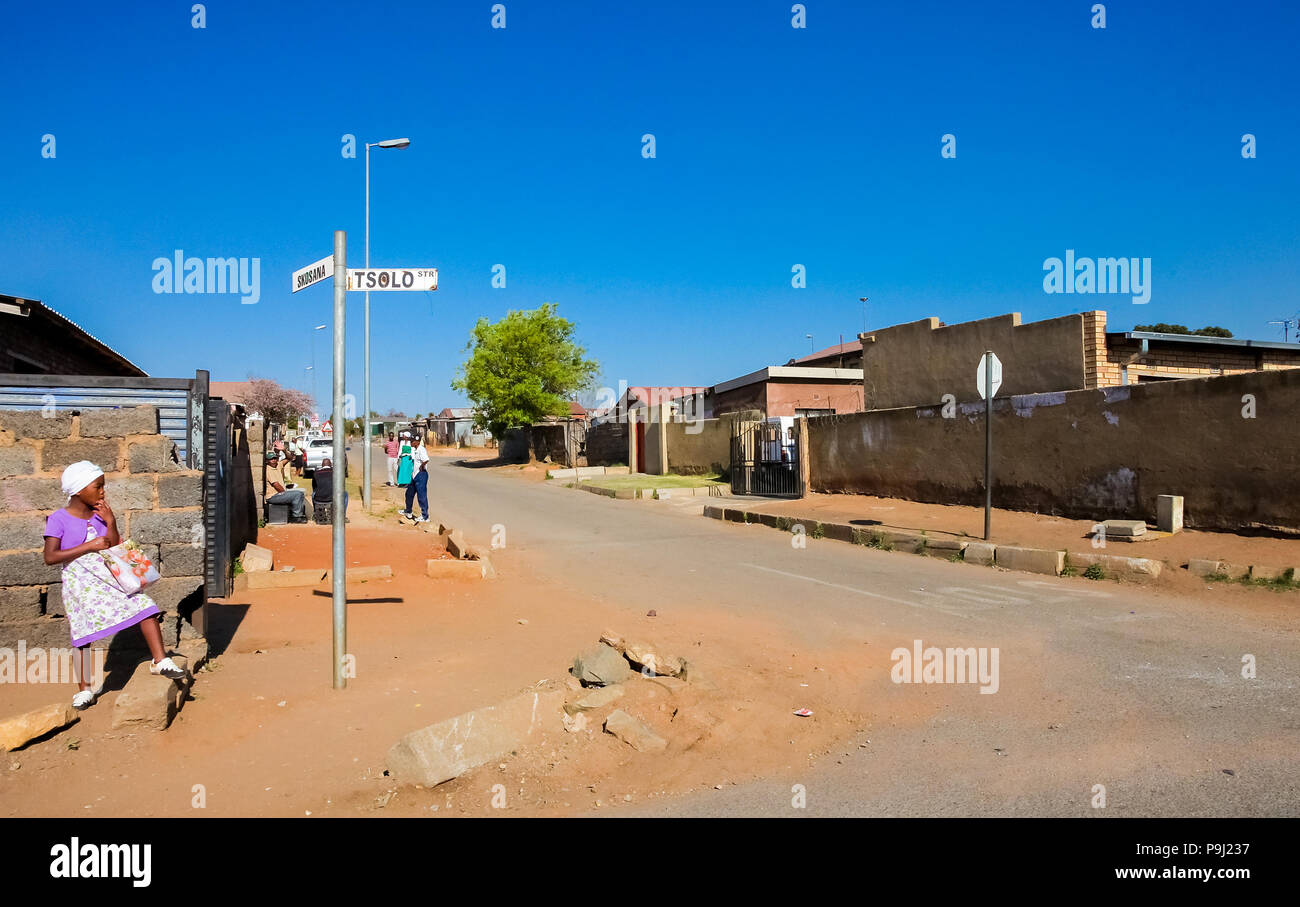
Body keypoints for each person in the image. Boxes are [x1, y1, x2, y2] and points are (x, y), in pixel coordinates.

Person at [43, 461, 185, 710]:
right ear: (78, 489)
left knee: (145, 607)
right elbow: (50, 557)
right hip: (81, 586)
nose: (102, 492)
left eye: (103, 486)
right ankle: (84, 689)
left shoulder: (101, 514)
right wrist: (88, 546)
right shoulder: (58, 519)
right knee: (82, 635)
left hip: (110, 580)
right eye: (98, 487)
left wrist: (110, 522)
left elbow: (114, 543)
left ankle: (160, 660)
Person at [264, 454, 308, 522]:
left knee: (301, 492)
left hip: (279, 494)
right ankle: (296, 517)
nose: (273, 460)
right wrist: (286, 493)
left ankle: (296, 514)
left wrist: (284, 449)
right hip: (273, 496)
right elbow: (276, 485)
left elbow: (289, 458)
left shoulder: (278, 465)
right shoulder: (268, 470)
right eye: (271, 459)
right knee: (298, 494)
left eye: (275, 458)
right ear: (267, 461)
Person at [399, 434, 431, 522]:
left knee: (421, 496)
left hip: (421, 475)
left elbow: (426, 459)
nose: (411, 443)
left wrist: (422, 466)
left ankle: (425, 516)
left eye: (412, 441)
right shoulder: (415, 449)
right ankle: (408, 511)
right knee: (409, 493)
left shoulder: (421, 449)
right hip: (414, 475)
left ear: (417, 442)